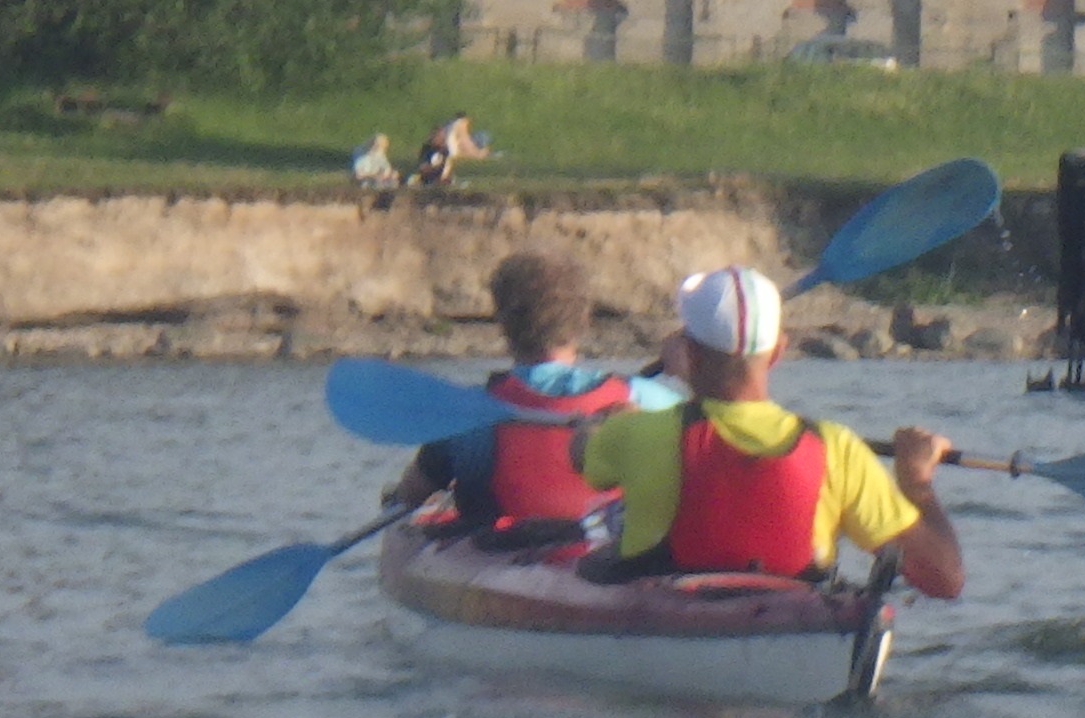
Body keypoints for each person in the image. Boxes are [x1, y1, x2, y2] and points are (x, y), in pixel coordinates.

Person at [574, 267, 963, 600]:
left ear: (689, 352)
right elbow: (945, 578)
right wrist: (917, 484)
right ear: (777, 353)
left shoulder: (636, 432)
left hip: (668, 612)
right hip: (795, 620)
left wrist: (598, 423)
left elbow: (579, 455)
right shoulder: (836, 447)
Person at [401, 250, 650, 551]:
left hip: (506, 555)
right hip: (606, 553)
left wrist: (398, 499)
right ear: (584, 320)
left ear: (503, 324)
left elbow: (413, 494)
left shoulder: (469, 415)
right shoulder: (645, 397)